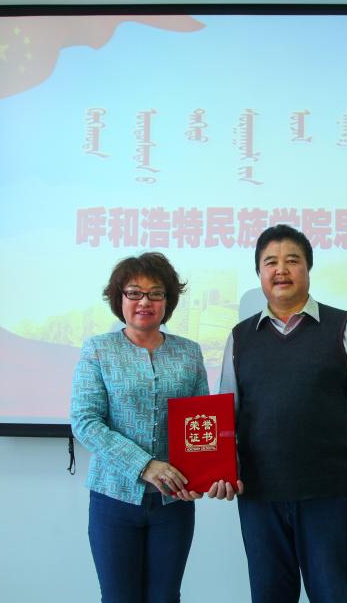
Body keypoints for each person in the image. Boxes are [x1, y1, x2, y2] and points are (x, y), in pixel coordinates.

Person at [210, 225, 347, 603]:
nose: (281, 270)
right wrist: (219, 470)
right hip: (261, 500)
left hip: (331, 498)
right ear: (258, 273)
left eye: (292, 260)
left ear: (308, 268)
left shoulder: (345, 328)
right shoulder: (240, 337)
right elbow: (225, 419)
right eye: (270, 262)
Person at [70, 252, 208, 603]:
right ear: (119, 299)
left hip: (173, 502)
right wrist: (145, 465)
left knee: (166, 597)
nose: (145, 302)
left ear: (167, 301)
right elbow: (85, 422)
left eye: (155, 293)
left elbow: (202, 423)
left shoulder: (189, 353)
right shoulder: (98, 350)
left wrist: (202, 476)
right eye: (134, 292)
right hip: (113, 499)